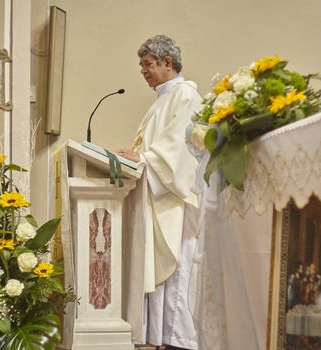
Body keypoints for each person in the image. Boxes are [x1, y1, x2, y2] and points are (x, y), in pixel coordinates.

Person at [117, 35, 202, 350]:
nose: (142, 70)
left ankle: (175, 340)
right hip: (156, 197)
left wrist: (145, 159)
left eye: (147, 64)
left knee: (174, 272)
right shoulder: (163, 99)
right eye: (141, 64)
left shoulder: (185, 96)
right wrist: (138, 156)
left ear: (168, 62)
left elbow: (180, 149)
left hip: (173, 203)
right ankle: (156, 338)